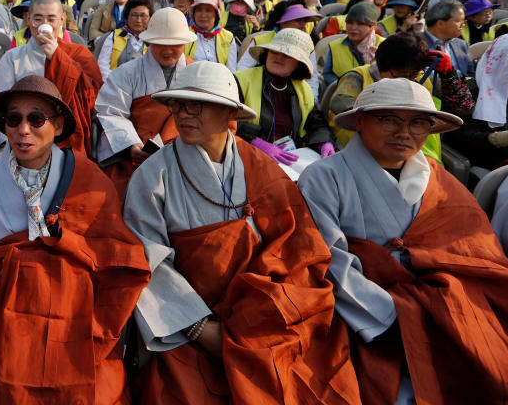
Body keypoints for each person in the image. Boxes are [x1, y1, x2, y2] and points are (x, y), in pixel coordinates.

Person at [124, 61, 360, 404]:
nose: (183, 114)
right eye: (178, 104)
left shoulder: (262, 167)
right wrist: (199, 327)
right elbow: (148, 262)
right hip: (189, 321)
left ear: (230, 112)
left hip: (261, 313)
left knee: (310, 377)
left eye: (198, 104)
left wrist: (263, 312)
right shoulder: (151, 176)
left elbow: (297, 248)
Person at [0, 76, 150, 405]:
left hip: (74, 315)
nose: (24, 130)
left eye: (36, 119)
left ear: (57, 125)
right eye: (14, 119)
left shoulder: (90, 181)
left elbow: (113, 257)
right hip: (1, 312)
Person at [298, 78, 508, 404]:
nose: (404, 132)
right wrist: (391, 318)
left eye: (418, 123)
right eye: (389, 119)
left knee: (499, 370)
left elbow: (472, 248)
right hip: (363, 312)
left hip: (441, 301)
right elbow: (327, 261)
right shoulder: (324, 177)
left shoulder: (435, 175)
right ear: (360, 121)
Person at [95, 7, 196, 199]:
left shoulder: (197, 72)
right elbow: (110, 111)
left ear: (185, 43)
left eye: (174, 44)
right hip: (136, 158)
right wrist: (131, 145)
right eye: (160, 44)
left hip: (185, 157)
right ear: (148, 41)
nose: (167, 50)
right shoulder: (126, 72)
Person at [331, 31, 473, 162]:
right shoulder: (358, 76)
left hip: (420, 156)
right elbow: (340, 103)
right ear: (381, 66)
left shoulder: (423, 79)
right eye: (400, 75)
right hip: (366, 155)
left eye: (413, 75)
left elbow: (464, 105)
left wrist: (449, 74)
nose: (407, 81)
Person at [0, 0, 101, 156]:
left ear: (62, 20)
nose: (45, 25)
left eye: (51, 19)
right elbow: (2, 107)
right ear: (28, 19)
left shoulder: (79, 54)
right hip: (22, 137)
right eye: (38, 19)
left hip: (66, 138)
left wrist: (58, 57)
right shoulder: (12, 58)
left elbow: (92, 98)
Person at [234, 28, 336, 163]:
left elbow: (315, 121)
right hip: (246, 155)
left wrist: (324, 141)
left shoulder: (303, 88)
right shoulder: (240, 80)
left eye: (287, 55)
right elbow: (227, 119)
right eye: (274, 51)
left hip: (290, 158)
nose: (278, 57)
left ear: (299, 64)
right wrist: (256, 141)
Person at [451, 31, 508, 169]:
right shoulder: (466, 92)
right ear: (500, 63)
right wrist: (498, 139)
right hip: (491, 167)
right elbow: (459, 139)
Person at [322, 2, 384, 85]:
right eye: (350, 22)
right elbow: (327, 74)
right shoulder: (334, 46)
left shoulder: (384, 46)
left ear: (373, 26)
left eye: (360, 23)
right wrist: (343, 85)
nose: (353, 27)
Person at [96, 0, 151, 80]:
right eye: (134, 15)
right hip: (116, 85)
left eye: (143, 16)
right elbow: (103, 65)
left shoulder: (154, 39)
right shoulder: (114, 36)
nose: (138, 20)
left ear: (150, 18)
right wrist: (113, 84)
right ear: (127, 17)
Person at [183, 0, 237, 70]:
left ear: (216, 14)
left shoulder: (228, 37)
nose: (203, 15)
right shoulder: (185, 35)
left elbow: (231, 69)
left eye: (208, 10)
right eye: (199, 10)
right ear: (193, 14)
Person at [423, 0, 474, 77]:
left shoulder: (461, 45)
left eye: (464, 21)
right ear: (440, 23)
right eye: (458, 21)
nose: (463, 25)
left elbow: (471, 77)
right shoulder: (415, 44)